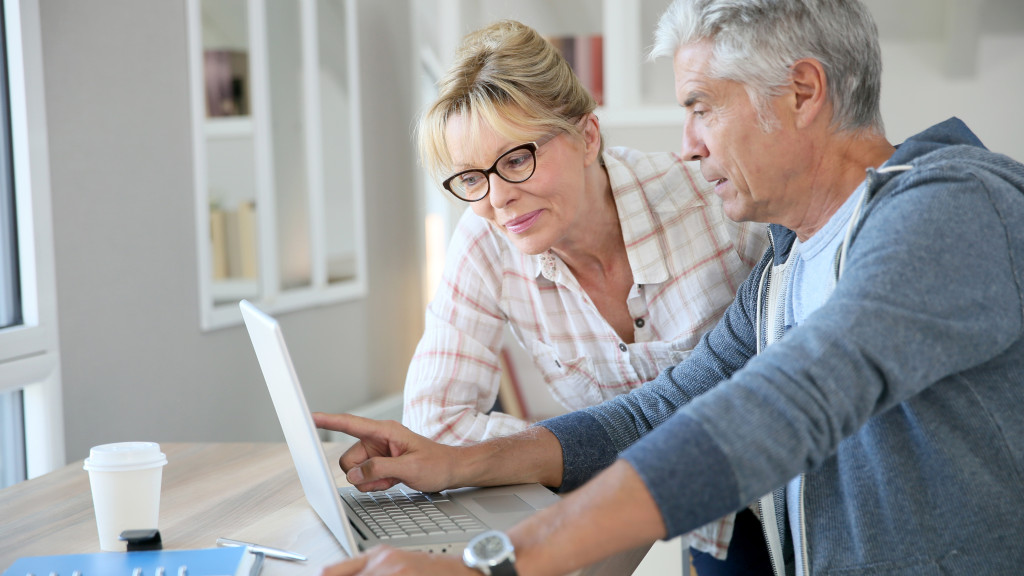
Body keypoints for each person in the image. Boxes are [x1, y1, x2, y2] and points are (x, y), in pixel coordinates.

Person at [316, 0, 1024, 574]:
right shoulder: (782, 272)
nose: (686, 144)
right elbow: (657, 411)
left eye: (702, 107)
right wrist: (458, 462)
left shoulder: (950, 206)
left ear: (803, 92)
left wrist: (497, 566)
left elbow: (785, 404)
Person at [403, 19, 769, 572]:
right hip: (649, 500)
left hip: (771, 491)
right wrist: (564, 452)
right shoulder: (485, 241)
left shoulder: (714, 204)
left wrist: (535, 455)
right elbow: (433, 424)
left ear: (588, 136)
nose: (498, 199)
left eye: (517, 159)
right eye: (472, 178)